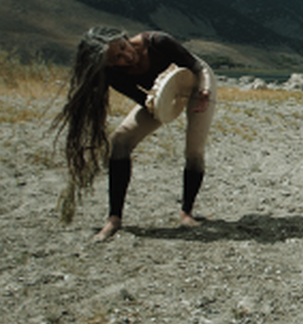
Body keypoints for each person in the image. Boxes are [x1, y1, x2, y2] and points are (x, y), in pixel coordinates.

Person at [54, 27, 216, 241]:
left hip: (197, 82)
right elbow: (145, 102)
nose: (126, 56)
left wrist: (204, 91)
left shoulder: (159, 42)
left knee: (194, 148)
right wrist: (164, 104)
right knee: (120, 140)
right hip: (158, 97)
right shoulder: (111, 73)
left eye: (123, 47)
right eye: (117, 58)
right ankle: (114, 218)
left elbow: (197, 68)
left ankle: (186, 212)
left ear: (123, 37)